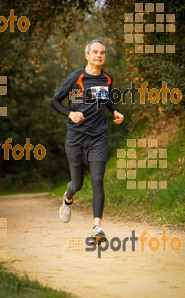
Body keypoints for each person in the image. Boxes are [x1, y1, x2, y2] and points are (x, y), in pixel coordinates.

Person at [50, 39, 124, 244]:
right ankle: (67, 198)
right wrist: (69, 113)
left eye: (102, 52)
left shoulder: (107, 78)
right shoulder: (75, 78)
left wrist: (115, 111)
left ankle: (97, 228)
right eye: (94, 52)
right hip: (76, 139)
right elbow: (54, 101)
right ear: (87, 55)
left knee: (98, 181)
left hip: (98, 137)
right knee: (78, 184)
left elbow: (106, 98)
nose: (99, 55)